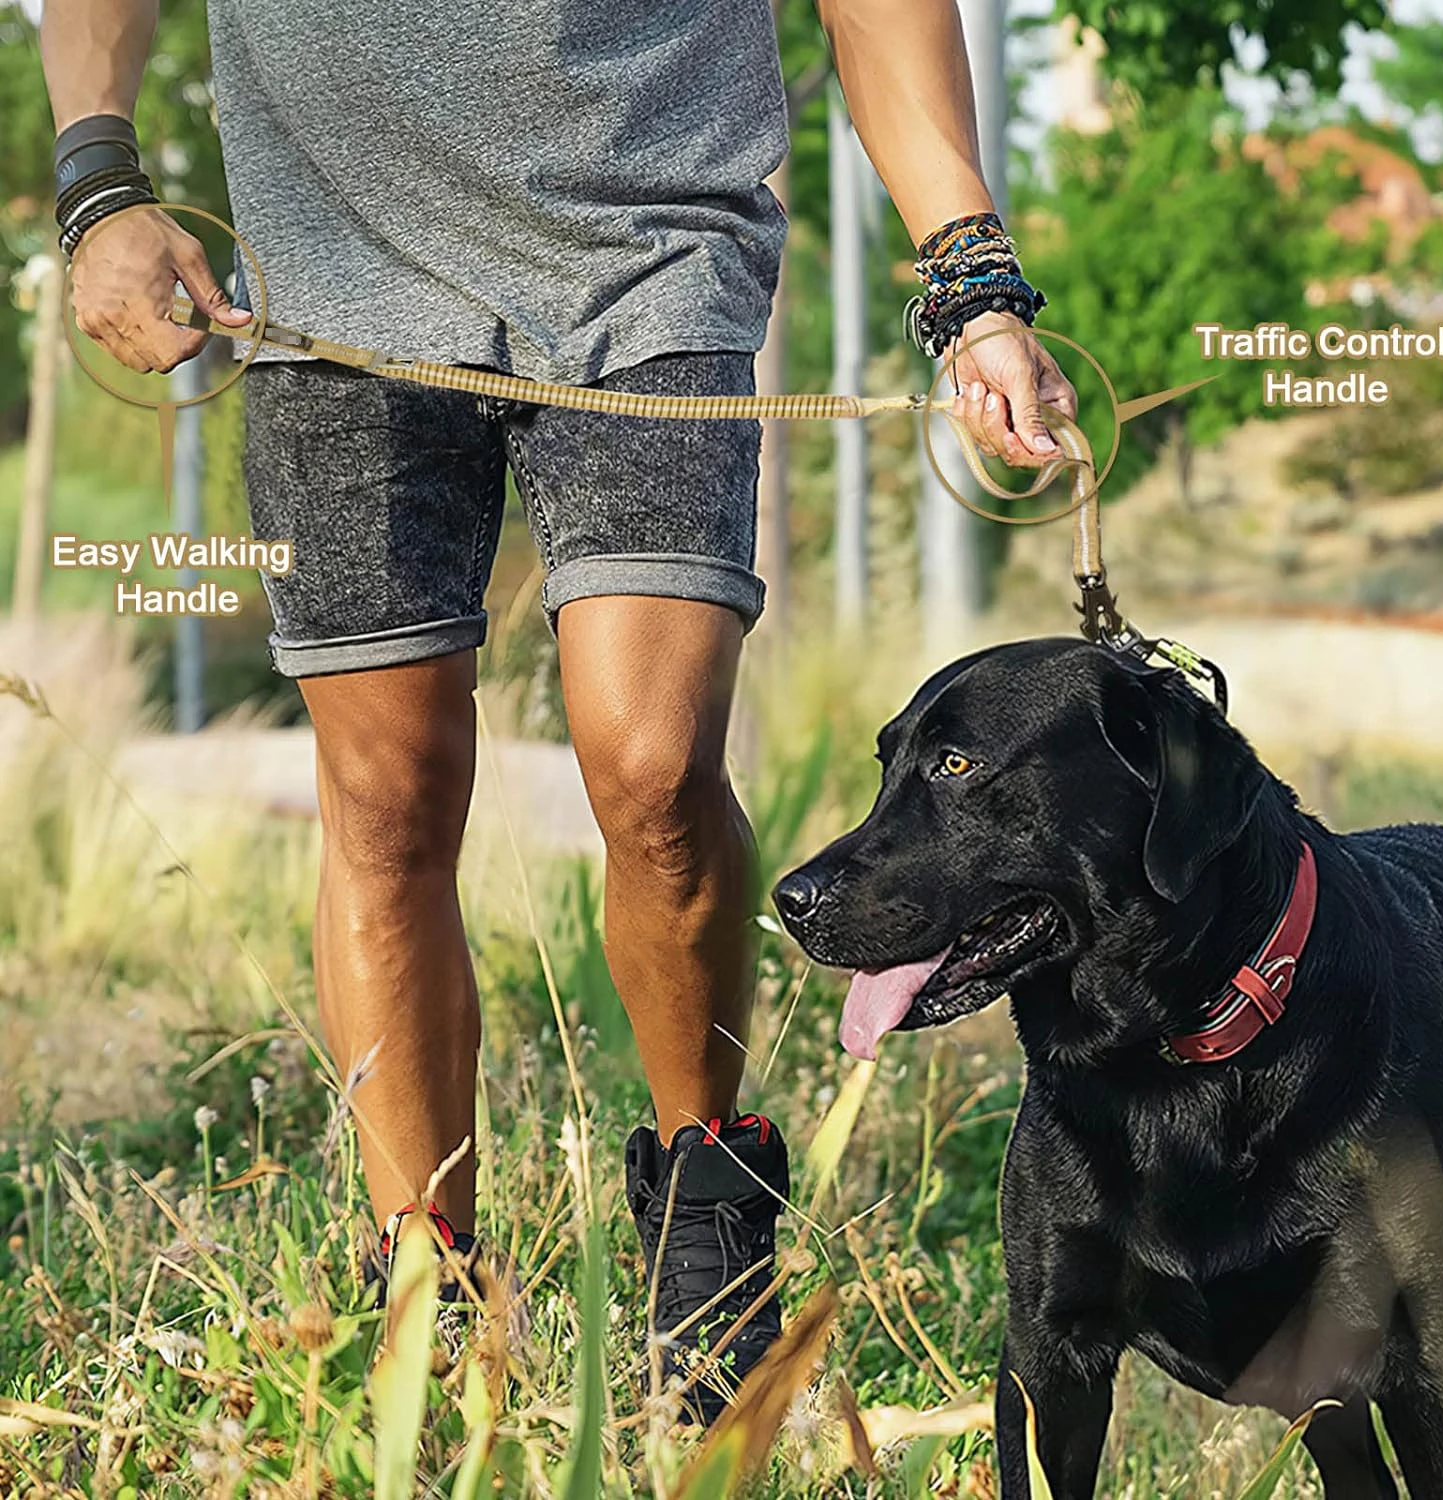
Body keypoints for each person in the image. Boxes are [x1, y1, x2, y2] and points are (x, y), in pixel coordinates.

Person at [44, 0, 1078, 1421]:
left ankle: (705, 1221)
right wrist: (98, 182)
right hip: (326, 284)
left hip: (651, 255)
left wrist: (975, 280)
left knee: (653, 774)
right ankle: (426, 1276)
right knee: (390, 797)